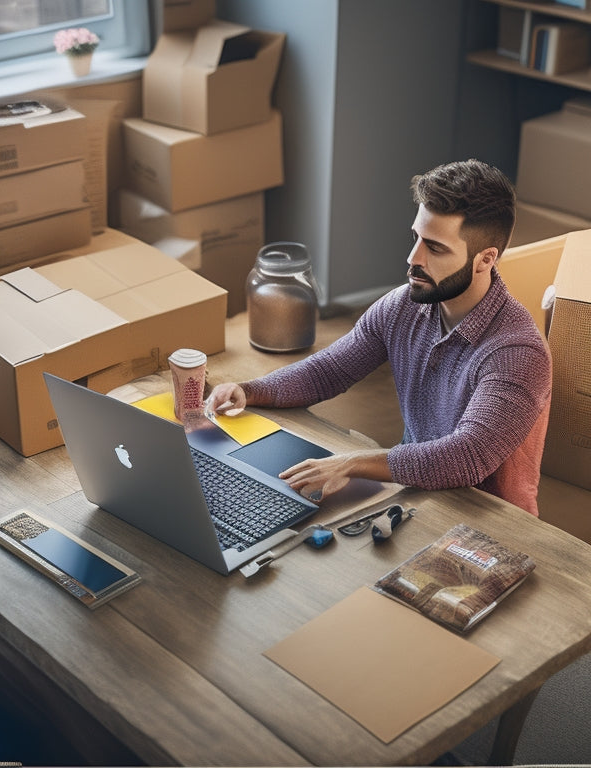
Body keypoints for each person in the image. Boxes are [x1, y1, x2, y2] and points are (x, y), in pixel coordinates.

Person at [207, 159, 552, 516]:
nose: (413, 258)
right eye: (416, 237)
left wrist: (351, 463)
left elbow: (466, 457)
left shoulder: (517, 353)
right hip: (416, 490)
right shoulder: (403, 306)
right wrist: (249, 390)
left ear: (485, 259)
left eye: (435, 248)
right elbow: (328, 371)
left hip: (491, 521)